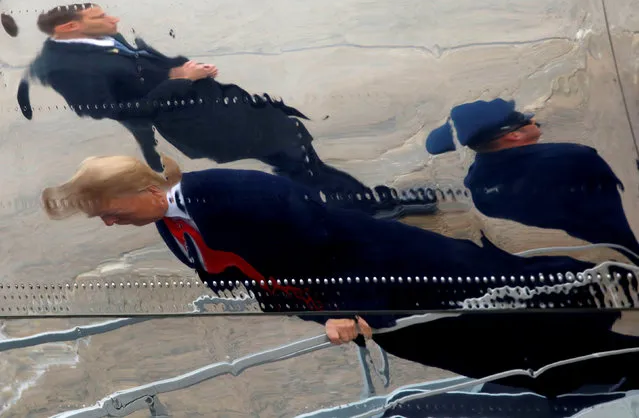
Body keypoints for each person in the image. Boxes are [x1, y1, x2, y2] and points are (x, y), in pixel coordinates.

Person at [40, 153, 639, 396]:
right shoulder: (172, 225)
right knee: (472, 353)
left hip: (404, 279)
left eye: (111, 213)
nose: (110, 226)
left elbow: (329, 243)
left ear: (147, 189)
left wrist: (354, 312)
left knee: (521, 324)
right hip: (366, 312)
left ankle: (615, 366)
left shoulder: (234, 190)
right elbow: (243, 272)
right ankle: (565, 385)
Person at [19, 3, 436, 219]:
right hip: (207, 128)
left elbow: (151, 73)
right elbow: (114, 110)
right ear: (69, 29)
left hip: (220, 113)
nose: (111, 18)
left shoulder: (100, 46)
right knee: (295, 158)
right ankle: (364, 210)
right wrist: (179, 79)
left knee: (297, 157)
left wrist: (188, 71)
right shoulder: (63, 67)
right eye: (99, 16)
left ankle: (355, 207)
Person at [426, 98, 639, 263]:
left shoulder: (477, 183)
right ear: (514, 135)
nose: (534, 119)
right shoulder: (572, 159)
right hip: (623, 254)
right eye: (526, 119)